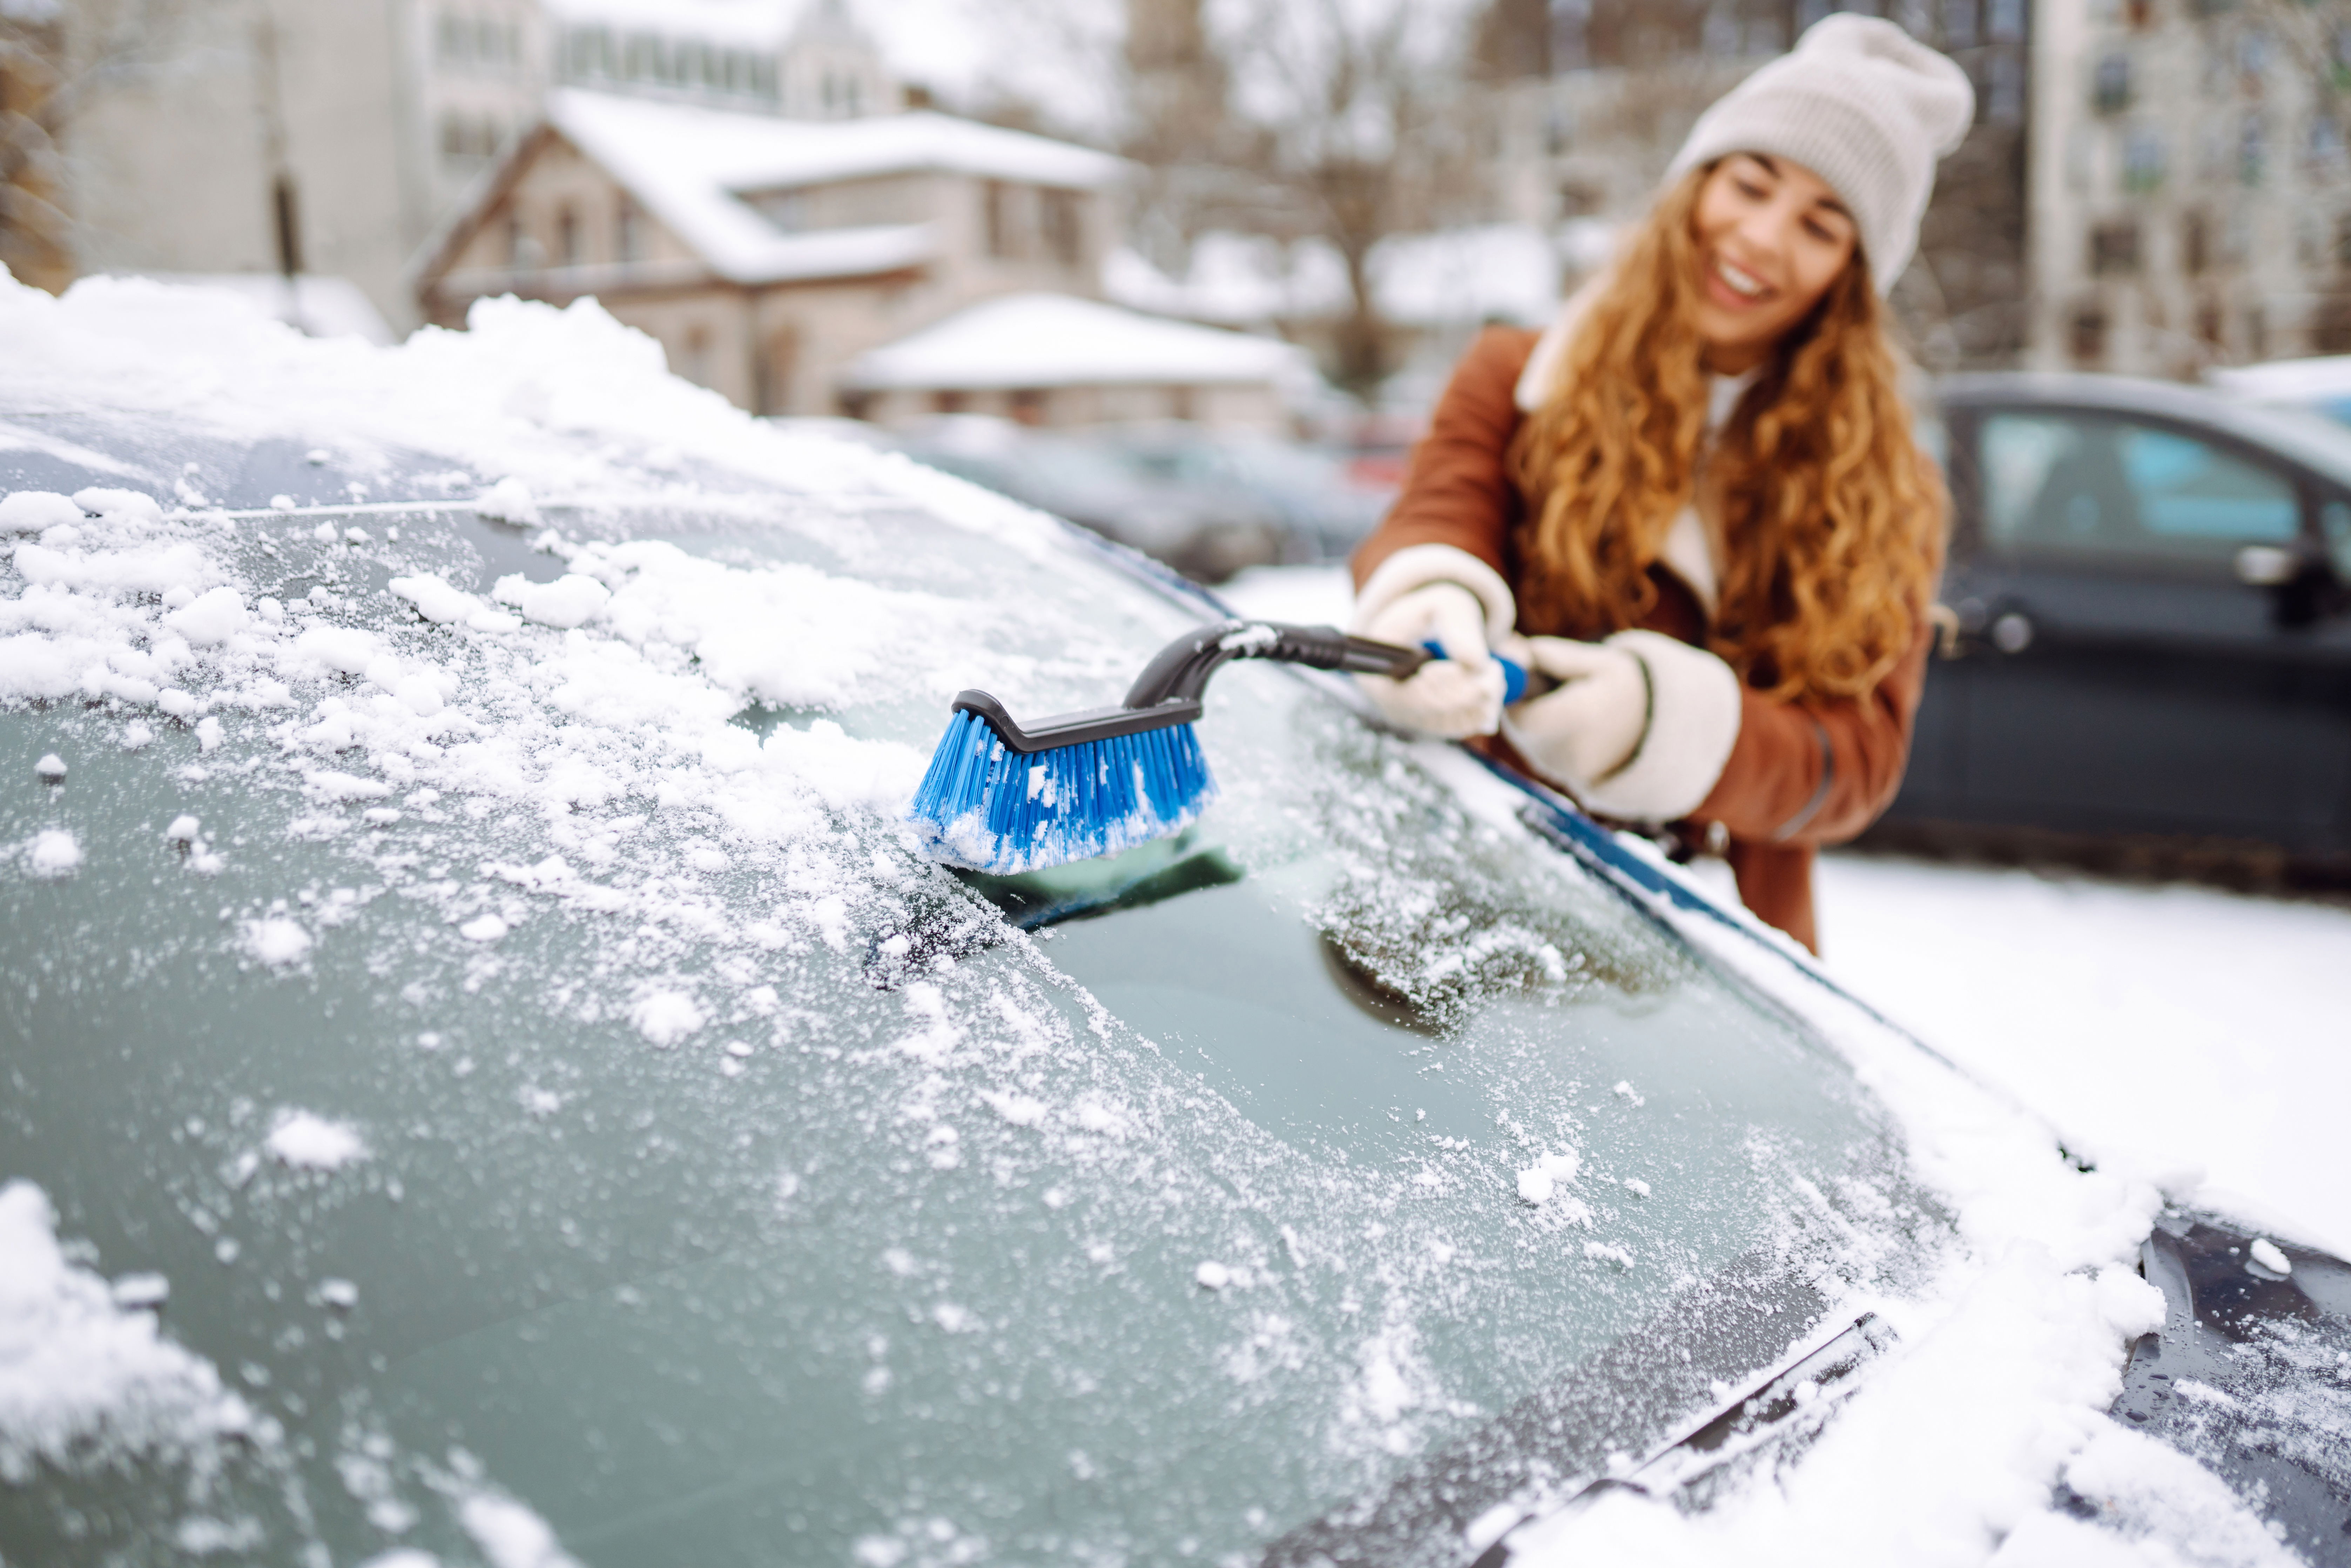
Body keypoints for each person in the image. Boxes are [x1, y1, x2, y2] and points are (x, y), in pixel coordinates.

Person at [1348, 15, 1972, 955]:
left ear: (1853, 272)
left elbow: (1858, 762)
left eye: (1821, 222)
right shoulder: (1519, 378)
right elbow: (1441, 518)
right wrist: (1430, 609)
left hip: (1713, 957)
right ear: (1696, 186)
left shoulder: (1890, 492)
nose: (1761, 239)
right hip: (1478, 896)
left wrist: (1672, 731)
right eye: (1750, 184)